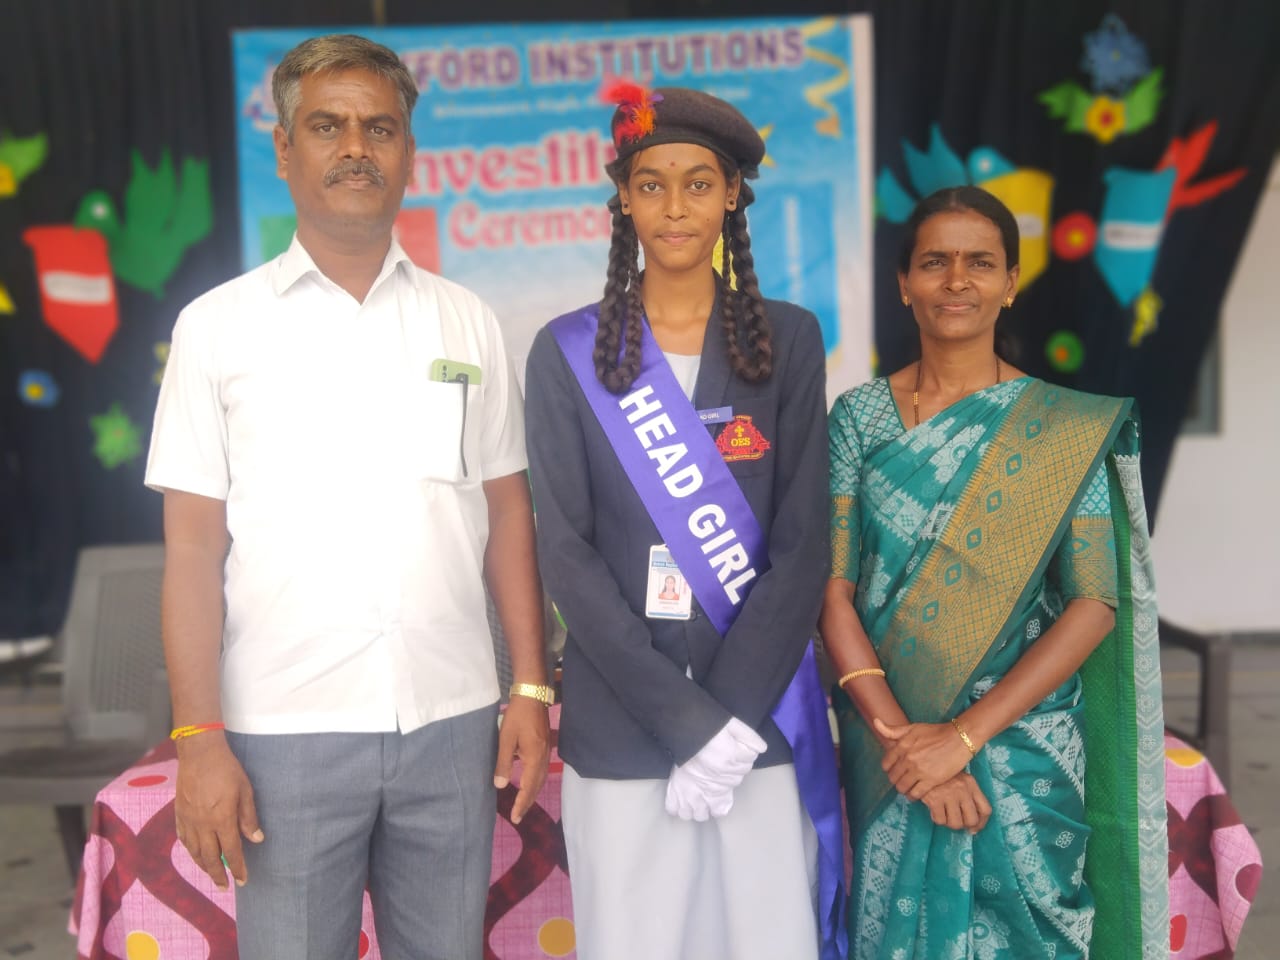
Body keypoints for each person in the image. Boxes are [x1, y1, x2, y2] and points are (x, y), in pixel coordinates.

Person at [145, 34, 550, 960]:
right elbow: (192, 550)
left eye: (380, 128)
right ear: (286, 150)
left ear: (410, 153)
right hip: (282, 730)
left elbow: (507, 514)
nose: (356, 148)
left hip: (452, 719)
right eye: (327, 127)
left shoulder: (467, 320)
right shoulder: (216, 328)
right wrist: (198, 736)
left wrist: (529, 685)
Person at [524, 83, 843, 960]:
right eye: (652, 184)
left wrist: (727, 723)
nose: (675, 207)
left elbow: (802, 545)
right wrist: (687, 724)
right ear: (623, 199)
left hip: (758, 723)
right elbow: (567, 555)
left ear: (732, 195)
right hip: (627, 726)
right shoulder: (566, 351)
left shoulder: (788, 340)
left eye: (699, 183)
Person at [819, 185, 1168, 959]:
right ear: (903, 282)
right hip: (890, 742)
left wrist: (963, 737)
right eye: (934, 262)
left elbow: (1093, 602)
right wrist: (908, 745)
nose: (956, 281)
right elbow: (832, 592)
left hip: (1024, 743)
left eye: (980, 263)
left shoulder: (1061, 428)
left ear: (1011, 281)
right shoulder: (859, 418)